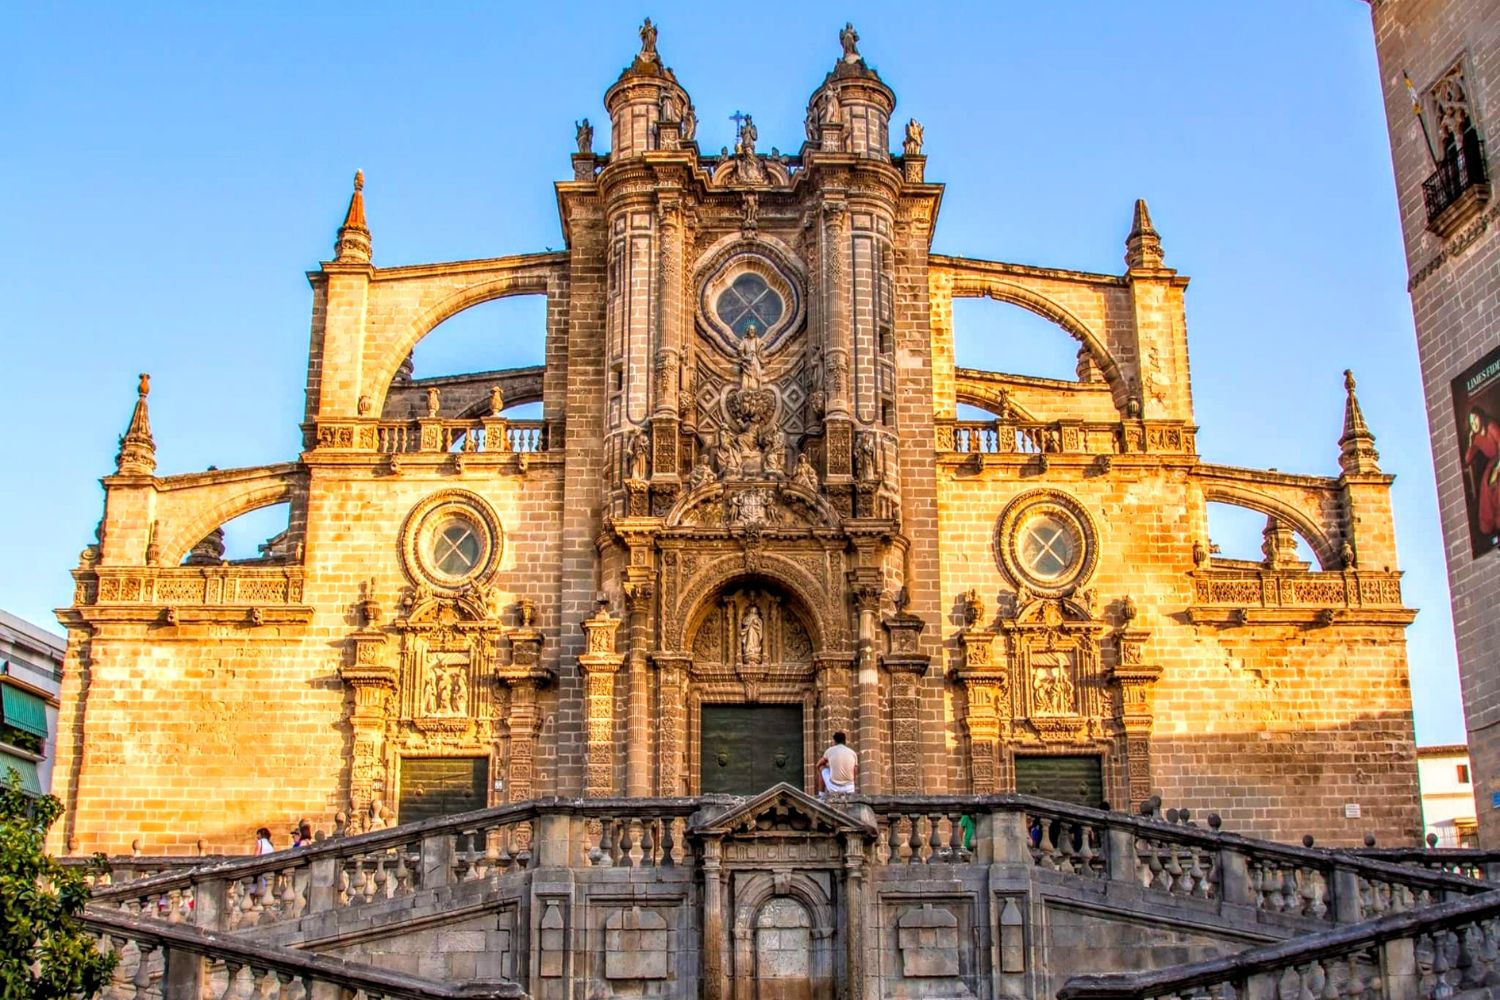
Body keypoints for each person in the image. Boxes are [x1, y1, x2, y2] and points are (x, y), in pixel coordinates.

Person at [1464, 406, 1500, 541]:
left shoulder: (1491, 427)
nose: (1474, 424)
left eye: (1475, 420)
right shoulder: (1477, 438)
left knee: (1495, 483)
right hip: (1493, 464)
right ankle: (1490, 524)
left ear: (1481, 417)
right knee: (1486, 485)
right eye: (1471, 423)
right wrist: (1470, 440)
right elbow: (1467, 459)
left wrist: (1497, 468)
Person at [815, 731, 858, 797]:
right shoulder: (853, 753)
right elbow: (855, 771)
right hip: (850, 788)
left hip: (834, 788)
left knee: (821, 767)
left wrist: (827, 766)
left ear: (834, 741)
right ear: (844, 741)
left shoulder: (830, 750)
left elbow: (818, 764)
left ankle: (821, 795)